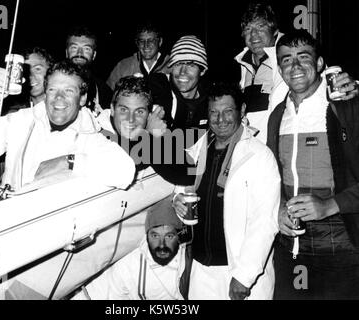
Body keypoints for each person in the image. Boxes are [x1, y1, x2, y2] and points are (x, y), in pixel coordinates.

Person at [267, 29, 359, 300]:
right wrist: (279, 208)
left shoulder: (345, 105)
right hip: (292, 252)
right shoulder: (277, 116)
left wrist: (330, 205)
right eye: (285, 59)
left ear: (320, 64)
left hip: (342, 251)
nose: (294, 66)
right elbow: (273, 178)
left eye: (302, 57)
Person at [0, 60, 135, 192]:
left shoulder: (90, 134)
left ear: (82, 98)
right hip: (9, 220)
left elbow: (125, 172)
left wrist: (69, 162)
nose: (59, 98)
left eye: (69, 91)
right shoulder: (22, 120)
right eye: (52, 89)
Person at [173, 82, 280, 300]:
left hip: (238, 272)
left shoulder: (259, 155)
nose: (220, 119)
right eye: (214, 112)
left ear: (241, 111)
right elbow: (180, 186)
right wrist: (178, 199)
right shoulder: (197, 150)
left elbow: (266, 220)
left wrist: (245, 275)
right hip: (201, 268)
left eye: (228, 111)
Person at [235, 2, 358, 144]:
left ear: (274, 30)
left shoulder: (291, 52)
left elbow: (330, 80)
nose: (254, 34)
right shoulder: (244, 64)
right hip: (253, 149)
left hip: (287, 141)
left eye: (261, 27)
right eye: (248, 29)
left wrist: (352, 89)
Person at [82, 197, 188, 300]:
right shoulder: (128, 267)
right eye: (155, 236)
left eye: (169, 236)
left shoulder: (188, 259)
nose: (162, 244)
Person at [97, 75, 193, 186]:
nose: (131, 119)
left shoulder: (148, 129)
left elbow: (188, 175)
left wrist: (157, 137)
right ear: (112, 110)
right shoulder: (97, 131)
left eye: (139, 112)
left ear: (149, 115)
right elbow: (124, 165)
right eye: (123, 110)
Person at [148, 35, 209, 133]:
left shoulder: (210, 103)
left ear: (202, 71)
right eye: (178, 64)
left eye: (190, 65)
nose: (182, 72)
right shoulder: (160, 88)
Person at [107, 22, 169, 91]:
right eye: (142, 41)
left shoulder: (171, 66)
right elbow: (108, 94)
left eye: (151, 40)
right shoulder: (123, 66)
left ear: (160, 42)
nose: (146, 45)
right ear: (137, 43)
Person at [65, 25, 112, 115]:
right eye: (74, 47)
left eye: (86, 49)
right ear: (66, 52)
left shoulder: (103, 91)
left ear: (94, 55)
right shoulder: (51, 84)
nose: (79, 53)